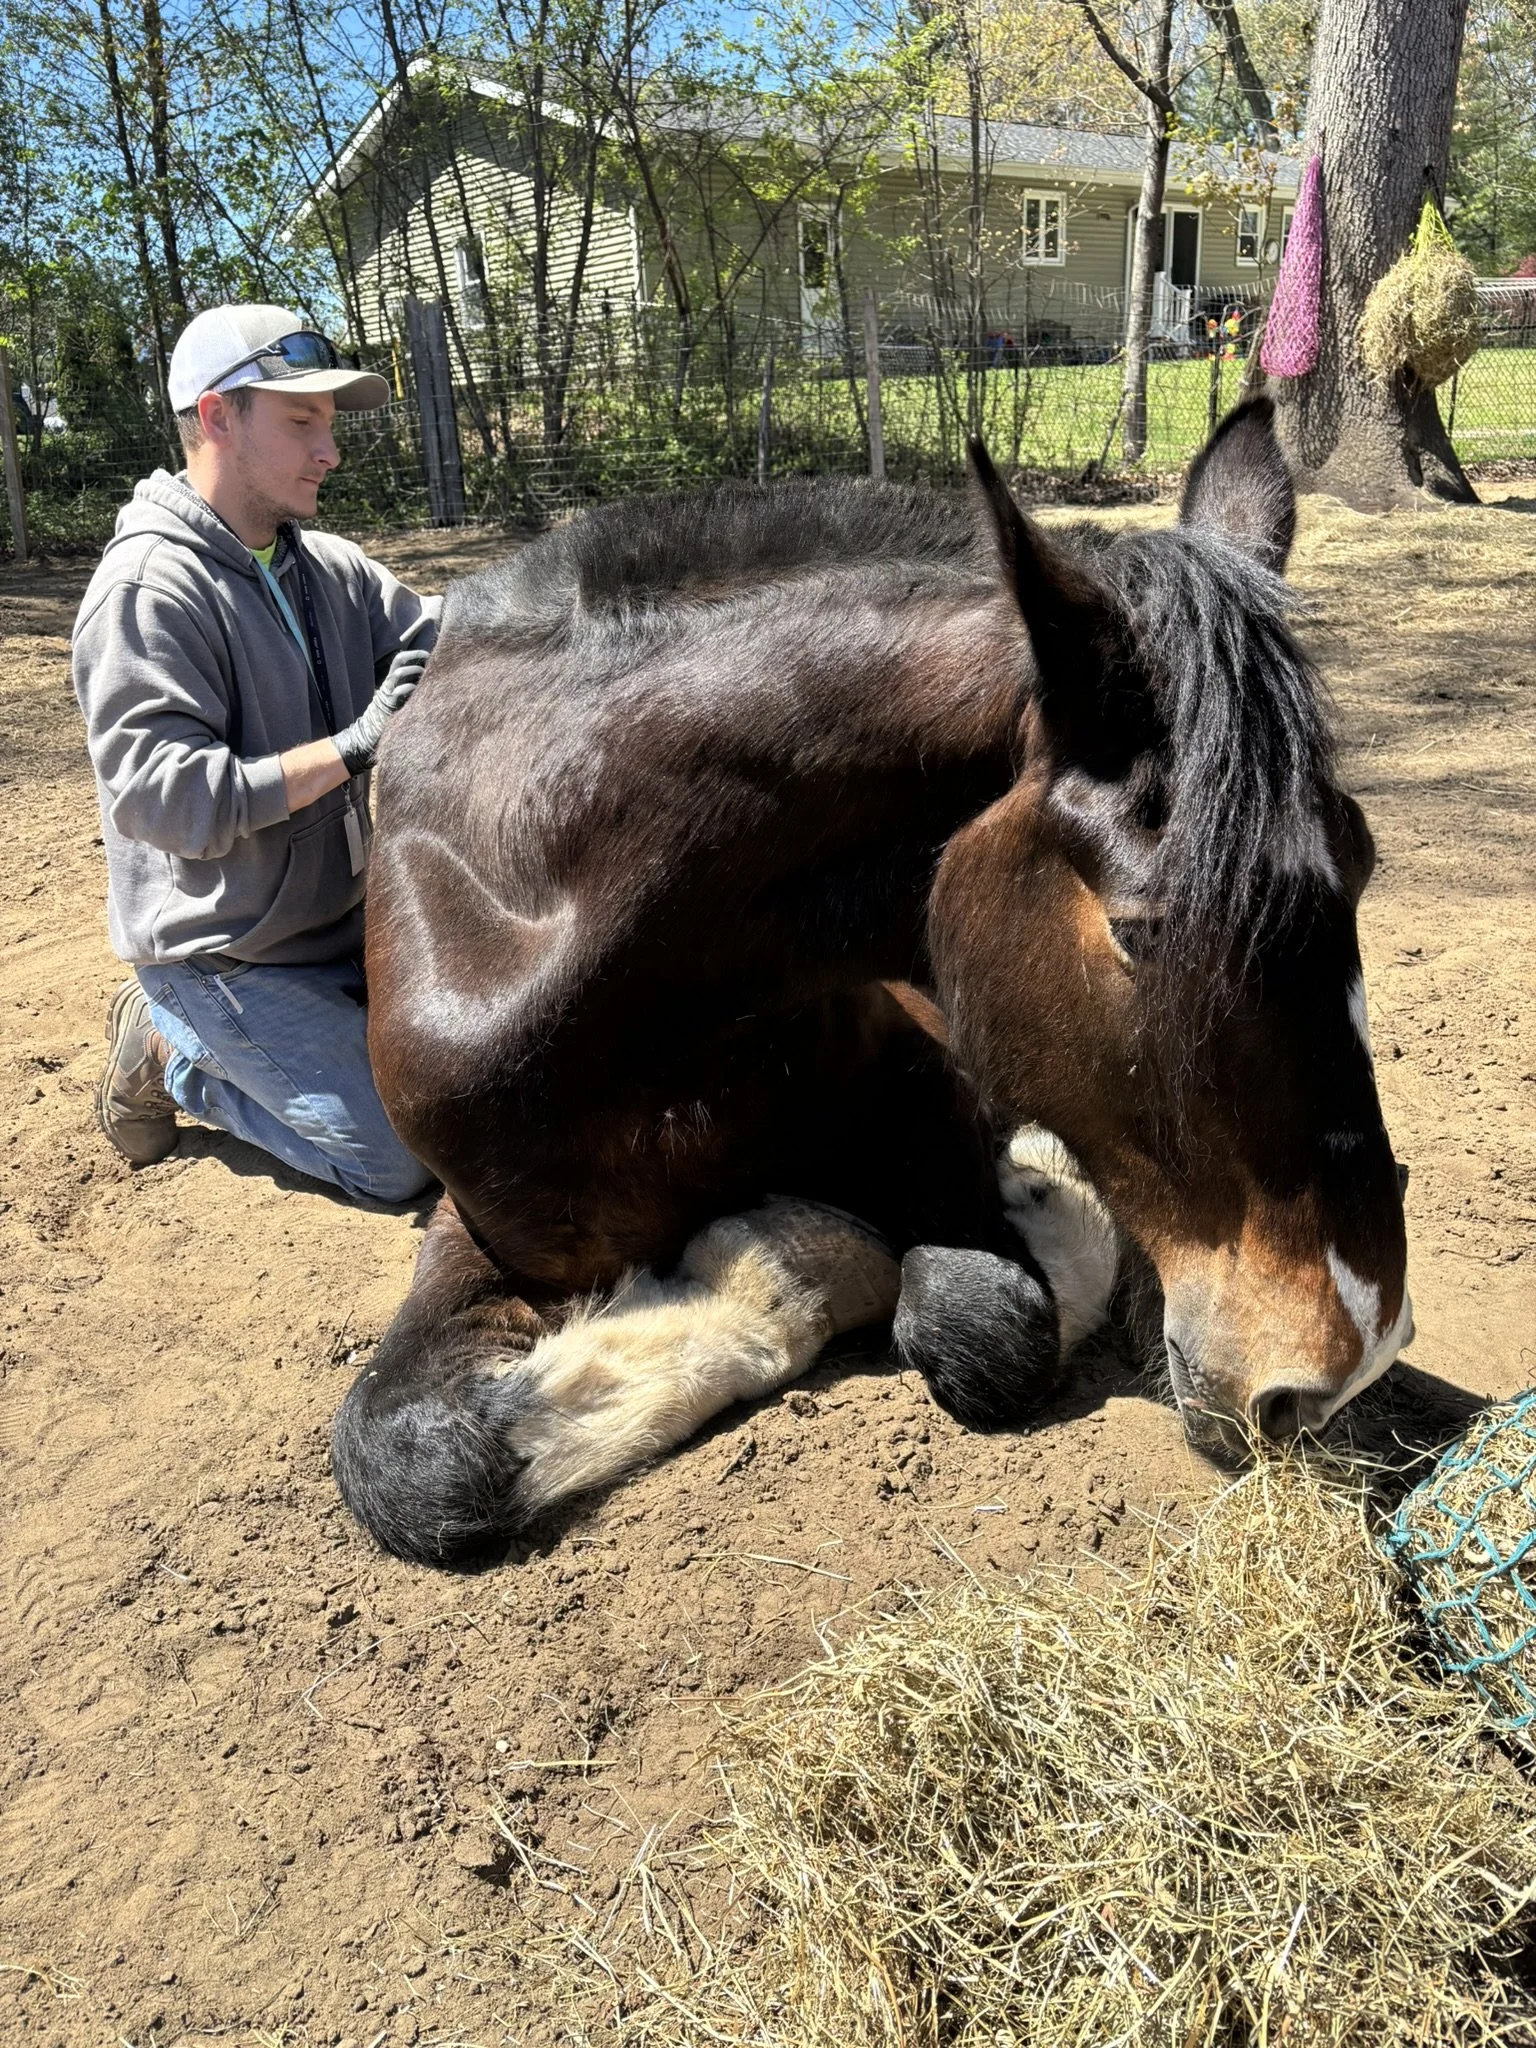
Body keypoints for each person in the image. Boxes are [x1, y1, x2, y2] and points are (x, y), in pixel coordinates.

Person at [72, 303, 441, 1202]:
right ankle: (169, 1050)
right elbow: (167, 800)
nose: (332, 452)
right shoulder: (147, 592)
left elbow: (439, 639)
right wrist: (353, 747)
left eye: (330, 424)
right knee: (395, 1163)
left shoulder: (327, 567)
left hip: (337, 922)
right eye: (301, 421)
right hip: (226, 952)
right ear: (216, 416)